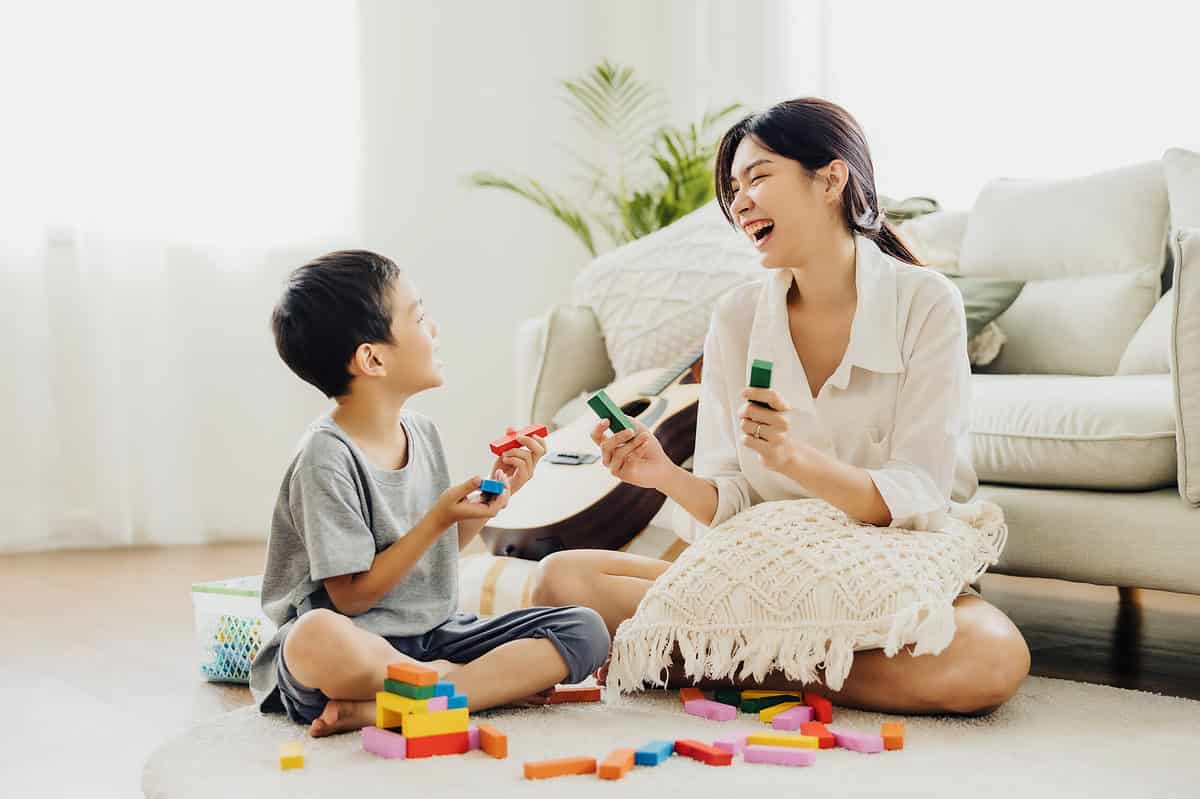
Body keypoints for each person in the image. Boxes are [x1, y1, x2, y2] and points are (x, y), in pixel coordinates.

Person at [532, 98, 1029, 715]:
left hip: (886, 564)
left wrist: (794, 458)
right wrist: (662, 475)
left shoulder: (924, 303)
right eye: (734, 188)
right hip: (769, 567)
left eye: (759, 176)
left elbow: (922, 491)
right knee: (561, 579)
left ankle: (727, 659)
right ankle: (784, 660)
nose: (739, 201)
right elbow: (733, 502)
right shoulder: (737, 316)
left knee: (992, 656)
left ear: (831, 179)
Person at [250, 250, 610, 737]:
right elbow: (352, 598)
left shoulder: (422, 432)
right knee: (313, 637)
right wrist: (438, 519)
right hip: (354, 641)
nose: (434, 329)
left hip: (435, 635)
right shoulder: (326, 457)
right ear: (372, 358)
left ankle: (397, 705)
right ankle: (458, 689)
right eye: (418, 316)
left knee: (585, 629)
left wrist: (488, 503)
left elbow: (429, 558)